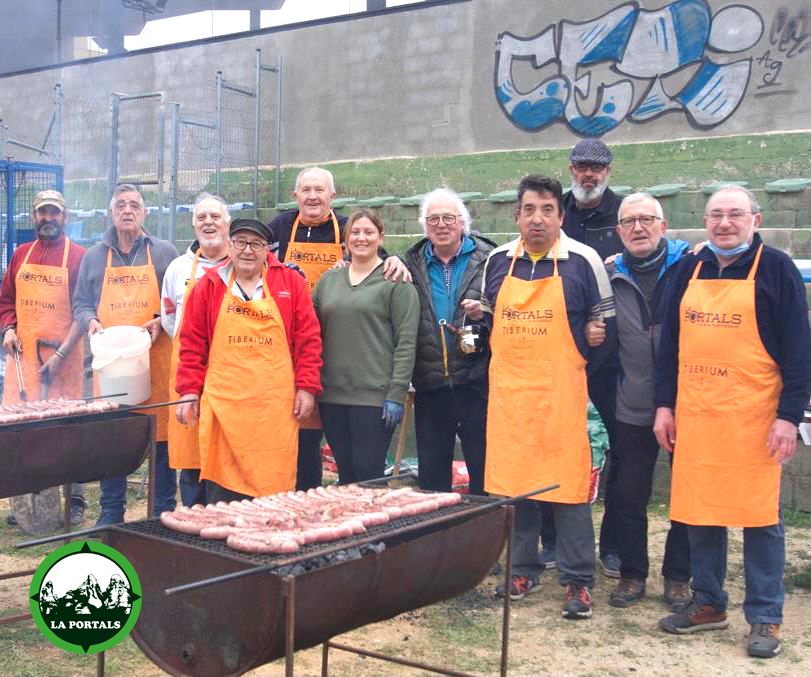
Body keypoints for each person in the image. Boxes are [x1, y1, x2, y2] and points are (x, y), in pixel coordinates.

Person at [653, 186, 810, 658]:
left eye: (734, 215)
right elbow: (669, 349)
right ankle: (708, 603)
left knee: (761, 518)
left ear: (755, 221)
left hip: (756, 418)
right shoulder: (688, 268)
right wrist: (665, 405)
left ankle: (765, 615)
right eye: (716, 215)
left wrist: (789, 416)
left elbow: (800, 354)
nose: (724, 223)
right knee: (702, 511)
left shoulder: (777, 269)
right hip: (698, 415)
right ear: (705, 222)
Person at [482, 175, 616, 619]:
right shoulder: (498, 261)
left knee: (570, 489)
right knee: (516, 489)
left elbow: (602, 331)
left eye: (546, 209)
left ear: (560, 214)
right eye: (528, 210)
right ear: (516, 215)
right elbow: (489, 324)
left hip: (561, 396)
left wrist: (578, 358)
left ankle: (578, 580)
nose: (537, 218)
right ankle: (522, 568)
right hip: (510, 399)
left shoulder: (584, 260)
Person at [269, 167, 410, 490]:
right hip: (291, 352)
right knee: (300, 446)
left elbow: (381, 261)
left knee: (358, 466)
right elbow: (255, 258)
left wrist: (398, 261)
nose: (313, 196)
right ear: (295, 196)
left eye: (320, 190)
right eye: (306, 190)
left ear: (333, 196)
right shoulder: (279, 227)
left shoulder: (349, 228)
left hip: (337, 359)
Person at [174, 218, 322, 502]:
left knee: (274, 493)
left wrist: (307, 387)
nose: (247, 250)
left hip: (274, 409)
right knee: (224, 493)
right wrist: (189, 390)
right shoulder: (209, 285)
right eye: (240, 242)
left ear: (267, 249)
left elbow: (309, 339)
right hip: (224, 407)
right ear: (230, 245)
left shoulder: (290, 283)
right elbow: (192, 344)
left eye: (256, 244)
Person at [73, 184, 179, 525]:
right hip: (111, 362)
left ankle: (162, 513)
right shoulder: (93, 257)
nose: (128, 210)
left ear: (145, 213)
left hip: (155, 360)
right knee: (114, 438)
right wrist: (89, 321)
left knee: (160, 439)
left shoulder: (164, 253)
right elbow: (81, 303)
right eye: (121, 205)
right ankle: (111, 513)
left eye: (134, 205)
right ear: (111, 213)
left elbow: (178, 301)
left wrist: (161, 321)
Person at [605, 192, 691, 610]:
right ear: (619, 231)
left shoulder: (692, 267)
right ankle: (632, 573)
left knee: (689, 494)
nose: (638, 228)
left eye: (646, 219)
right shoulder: (610, 273)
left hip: (688, 402)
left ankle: (678, 576)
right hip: (633, 400)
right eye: (628, 222)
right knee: (627, 492)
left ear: (663, 223)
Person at [0, 190, 87, 525]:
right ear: (34, 217)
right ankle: (29, 502)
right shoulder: (21, 254)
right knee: (24, 432)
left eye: (54, 213)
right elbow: (6, 300)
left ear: (65, 218)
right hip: (23, 361)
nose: (47, 218)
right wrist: (8, 329)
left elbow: (83, 312)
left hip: (63, 361)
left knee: (67, 431)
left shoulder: (78, 257)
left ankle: (75, 499)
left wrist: (62, 353)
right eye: (42, 213)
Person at [312, 209, 419, 483]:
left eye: (369, 232)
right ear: (346, 240)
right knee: (346, 475)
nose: (361, 238)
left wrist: (396, 392)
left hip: (375, 399)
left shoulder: (396, 281)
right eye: (355, 232)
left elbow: (406, 342)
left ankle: (375, 528)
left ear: (381, 238)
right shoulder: (329, 281)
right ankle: (349, 526)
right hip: (332, 396)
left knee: (368, 475)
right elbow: (309, 329)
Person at [403, 188, 495, 495]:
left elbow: (510, 308)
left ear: (463, 223)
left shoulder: (490, 259)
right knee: (432, 476)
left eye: (448, 218)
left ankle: (484, 535)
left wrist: (486, 312)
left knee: (484, 469)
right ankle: (437, 539)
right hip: (430, 384)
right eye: (433, 219)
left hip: (475, 381)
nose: (441, 225)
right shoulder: (410, 263)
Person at [560, 137, 624, 578]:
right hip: (560, 353)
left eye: (596, 168)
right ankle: (552, 540)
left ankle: (614, 546)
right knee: (555, 446)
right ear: (571, 170)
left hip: (610, 357)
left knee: (617, 454)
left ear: (608, 172)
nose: (588, 174)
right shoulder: (555, 211)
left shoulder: (625, 216)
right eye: (581, 166)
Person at [161, 194, 231, 507]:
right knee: (190, 454)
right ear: (193, 224)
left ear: (227, 224)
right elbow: (169, 321)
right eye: (201, 217)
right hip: (188, 376)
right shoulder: (177, 269)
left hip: (229, 374)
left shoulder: (242, 266)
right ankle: (192, 515)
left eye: (215, 216)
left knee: (224, 451)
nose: (208, 222)